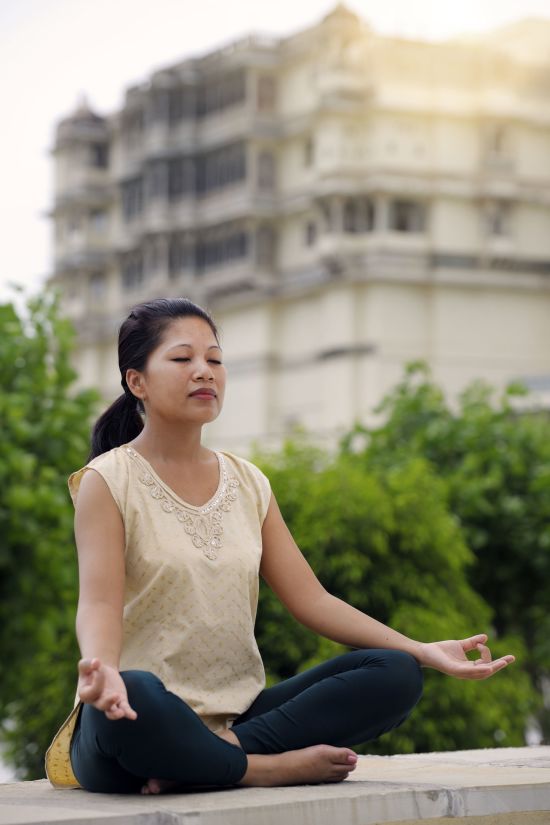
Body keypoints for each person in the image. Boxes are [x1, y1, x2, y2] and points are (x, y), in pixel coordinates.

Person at [45, 297, 515, 795]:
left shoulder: (248, 482)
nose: (204, 372)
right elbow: (99, 603)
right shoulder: (107, 480)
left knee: (395, 672)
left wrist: (421, 650)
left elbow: (312, 600)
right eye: (183, 358)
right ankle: (262, 769)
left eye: (215, 359)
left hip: (241, 717)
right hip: (132, 717)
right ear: (136, 381)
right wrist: (104, 671)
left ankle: (211, 759)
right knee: (138, 689)